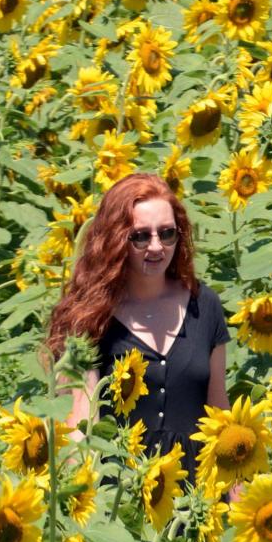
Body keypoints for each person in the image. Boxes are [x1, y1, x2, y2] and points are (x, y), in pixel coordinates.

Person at [45, 173, 230, 477]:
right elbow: (80, 418)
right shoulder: (92, 315)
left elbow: (218, 406)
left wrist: (235, 481)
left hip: (196, 495)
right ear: (116, 240)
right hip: (117, 494)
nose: (156, 247)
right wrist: (77, 494)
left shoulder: (204, 304)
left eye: (167, 233)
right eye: (140, 236)